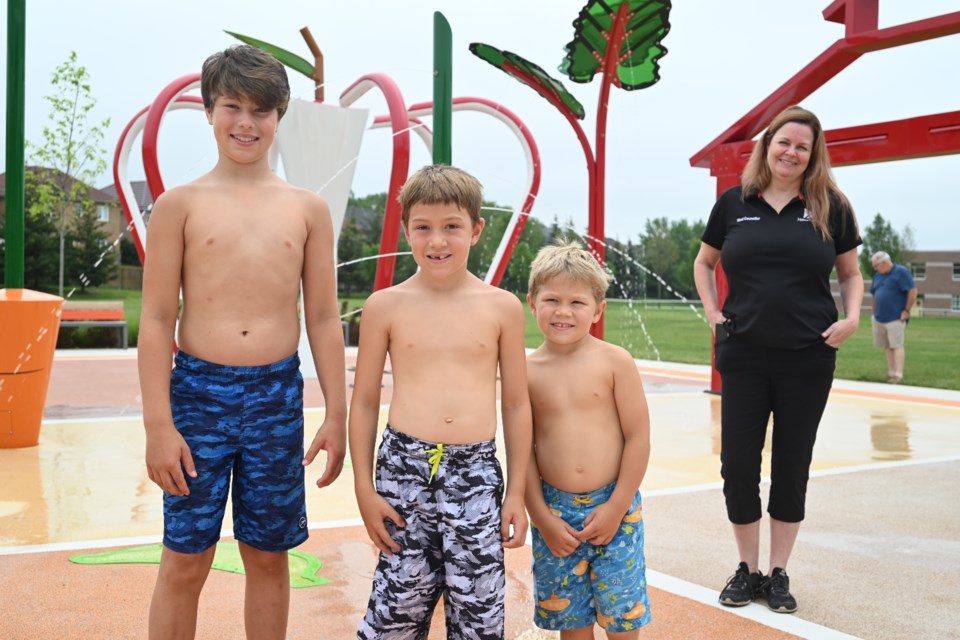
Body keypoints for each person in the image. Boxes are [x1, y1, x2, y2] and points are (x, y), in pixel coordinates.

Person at [139, 45, 347, 639]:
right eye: (232, 106)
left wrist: (336, 411)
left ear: (280, 117)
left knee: (266, 555)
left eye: (261, 110)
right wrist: (159, 424)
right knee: (184, 559)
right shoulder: (180, 206)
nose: (246, 123)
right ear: (209, 111)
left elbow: (325, 318)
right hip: (198, 396)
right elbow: (156, 321)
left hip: (276, 397)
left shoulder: (307, 210)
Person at [349, 164, 532, 639]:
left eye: (451, 227)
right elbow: (365, 401)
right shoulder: (385, 306)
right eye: (423, 228)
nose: (437, 241)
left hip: (475, 474)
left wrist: (515, 493)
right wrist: (365, 491)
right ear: (406, 229)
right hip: (403, 471)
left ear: (476, 229)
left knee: (478, 618)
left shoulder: (502, 308)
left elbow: (515, 404)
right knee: (396, 613)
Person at [693, 106, 863, 614]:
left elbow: (851, 274)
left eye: (802, 147)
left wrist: (852, 318)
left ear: (814, 155)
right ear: (768, 146)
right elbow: (705, 263)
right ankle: (747, 570)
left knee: (792, 465)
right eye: (783, 142)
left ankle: (780, 572)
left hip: (808, 357)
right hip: (743, 352)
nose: (791, 152)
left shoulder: (831, 205)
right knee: (738, 465)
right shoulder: (734, 203)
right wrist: (712, 313)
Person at [524, 241, 652, 639]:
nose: (563, 311)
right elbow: (522, 454)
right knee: (571, 622)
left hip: (616, 508)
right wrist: (541, 518)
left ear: (598, 310)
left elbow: (638, 437)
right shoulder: (525, 371)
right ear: (532, 303)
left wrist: (616, 507)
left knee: (623, 617)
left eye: (577, 302)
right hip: (554, 512)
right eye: (552, 300)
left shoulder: (614, 362)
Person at [869, 251, 917, 384]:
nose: (875, 269)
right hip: (879, 318)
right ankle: (891, 373)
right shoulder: (878, 276)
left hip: (896, 317)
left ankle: (898, 374)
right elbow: (873, 294)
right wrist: (874, 312)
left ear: (884, 263)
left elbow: (912, 291)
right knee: (887, 346)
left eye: (876, 265)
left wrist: (906, 311)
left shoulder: (901, 272)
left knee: (896, 345)